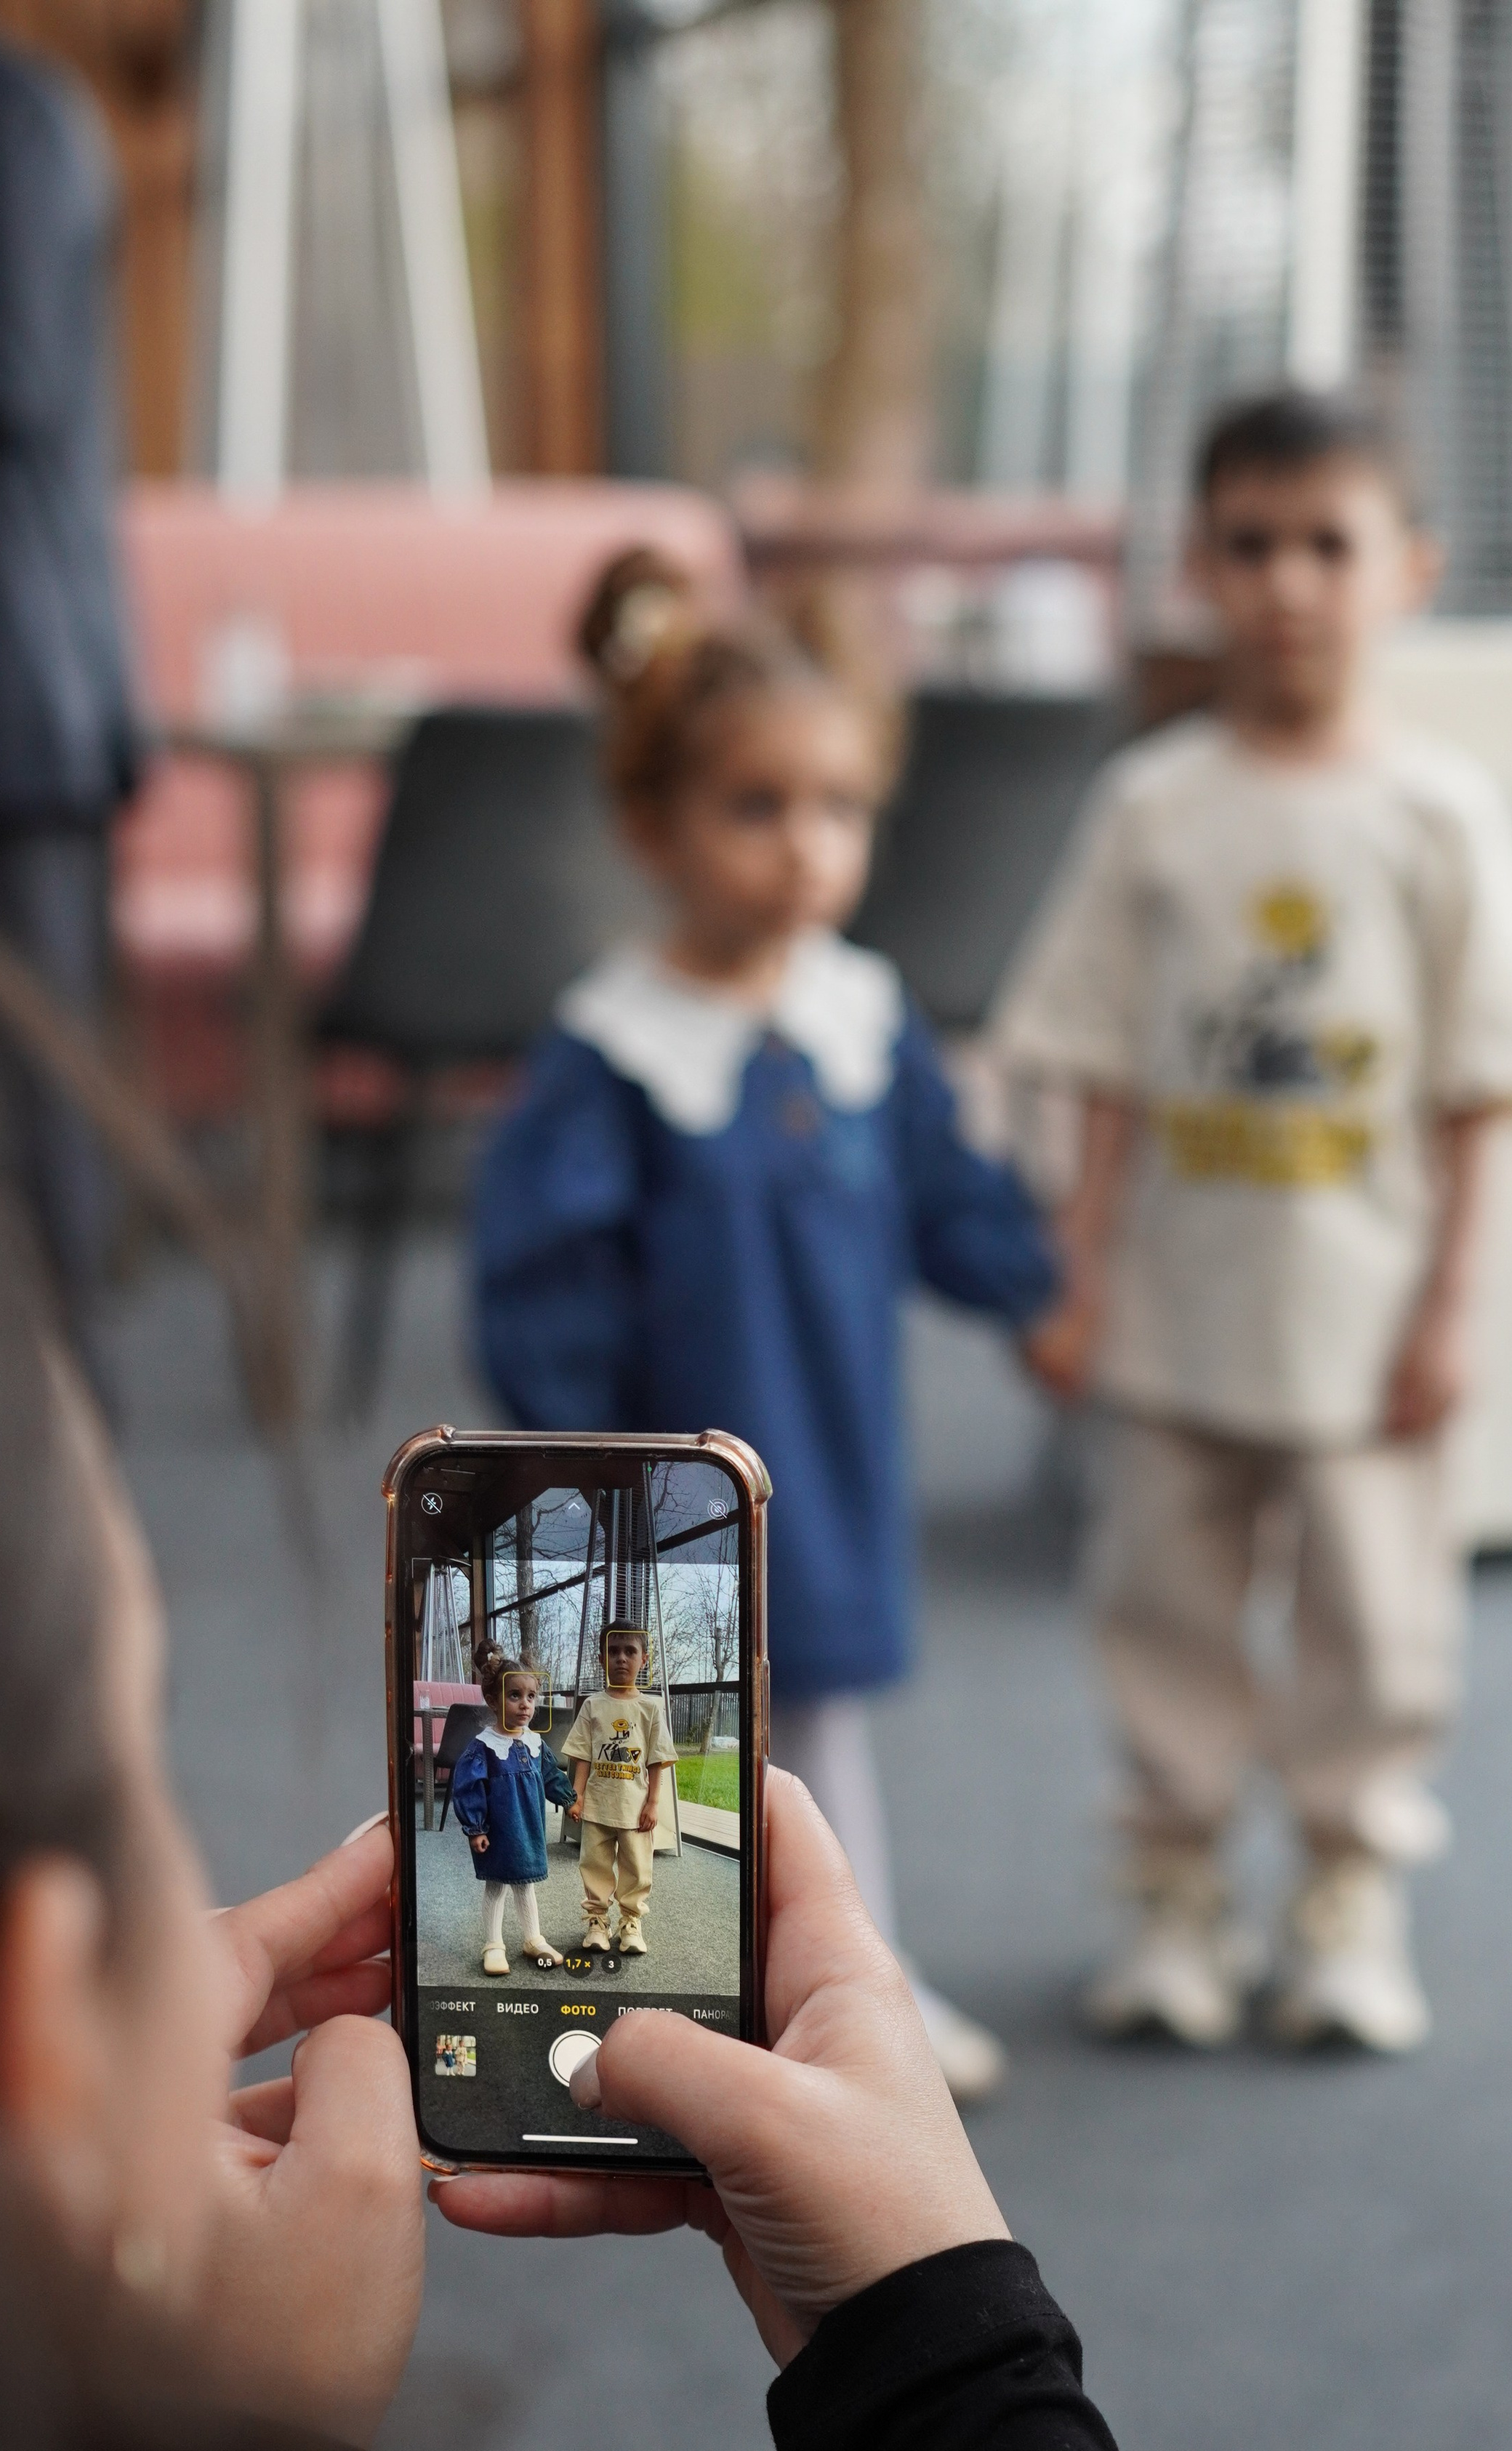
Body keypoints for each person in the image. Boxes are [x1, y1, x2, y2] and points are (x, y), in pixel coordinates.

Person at [0, 1158, 1247, 2451]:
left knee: (601, 1898)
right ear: (33, 2025)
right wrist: (950, 2351)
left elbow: (610, 1773)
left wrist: (205, 2425)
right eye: (143, 1729)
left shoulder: (610, 1713)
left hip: (612, 1828)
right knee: (541, 1909)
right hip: (565, 1844)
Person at [997, 387, 1512, 2057]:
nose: (1286, 582)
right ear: (1196, 564)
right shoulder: (1152, 804)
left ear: (1407, 569)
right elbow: (1095, 1055)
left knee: (1373, 1619)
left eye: (1328, 545)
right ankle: (1170, 1883)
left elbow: (1483, 1079)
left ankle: (1342, 1884)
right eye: (1248, 544)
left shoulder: (1435, 814)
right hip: (1180, 1305)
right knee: (1162, 1602)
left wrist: (1449, 1305)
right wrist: (1075, 1264)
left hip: (1363, 1312)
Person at [474, 550, 1061, 2102]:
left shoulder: (858, 1013)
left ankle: (832, 1986)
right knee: (685, 1735)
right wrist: (584, 1468)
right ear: (649, 821)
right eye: (757, 806)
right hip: (678, 1470)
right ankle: (790, 1992)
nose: (807, 848)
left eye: (840, 807)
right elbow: (542, 1276)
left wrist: (1039, 1291)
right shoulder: (615, 1048)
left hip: (829, 1444)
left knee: (807, 1731)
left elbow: (944, 1192)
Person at [0, 7, 140, 1388]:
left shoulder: (6, 118)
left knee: (29, 1119)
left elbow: (4, 377)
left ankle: (73, 1494)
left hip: (5, 699)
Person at [449, 1638, 575, 1975]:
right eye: (514, 1695)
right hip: (499, 1828)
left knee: (526, 1882)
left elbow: (550, 1773)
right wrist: (475, 1828)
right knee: (497, 1884)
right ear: (492, 1700)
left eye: (531, 1696)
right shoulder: (484, 1747)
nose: (525, 1705)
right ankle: (493, 1944)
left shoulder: (534, 1741)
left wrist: (568, 1800)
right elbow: (467, 1787)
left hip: (529, 1827)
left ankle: (533, 1938)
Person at [560, 1619, 676, 1955]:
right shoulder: (593, 1706)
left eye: (630, 1651)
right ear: (601, 1659)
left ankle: (630, 1922)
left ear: (644, 1660)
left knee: (637, 1868)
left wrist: (653, 1803)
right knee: (594, 1864)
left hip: (635, 1808)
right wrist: (577, 1795)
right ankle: (597, 1920)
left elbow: (657, 1761)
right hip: (598, 1804)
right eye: (613, 1652)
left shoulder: (651, 1708)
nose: (621, 1659)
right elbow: (583, 1756)